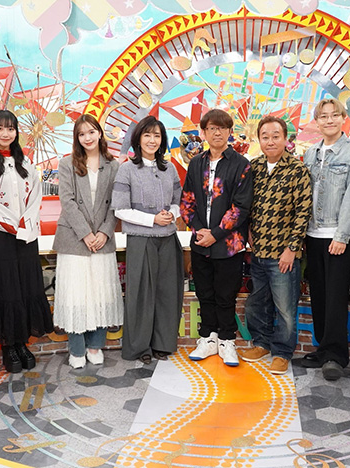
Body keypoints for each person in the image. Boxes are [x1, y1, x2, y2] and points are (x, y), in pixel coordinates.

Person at [0, 110, 54, 373]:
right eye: (0, 128)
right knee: (4, 290)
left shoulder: (25, 162)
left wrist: (26, 224)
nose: (5, 133)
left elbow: (36, 196)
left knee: (26, 288)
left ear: (17, 132)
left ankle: (22, 342)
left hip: (26, 236)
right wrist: (12, 225)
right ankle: (8, 345)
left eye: (10, 128)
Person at [298, 98, 350, 381]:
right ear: (317, 121)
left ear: (343, 119)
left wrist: (341, 234)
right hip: (313, 233)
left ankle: (336, 356)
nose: (329, 120)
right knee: (318, 294)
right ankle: (322, 348)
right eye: (323, 116)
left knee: (336, 296)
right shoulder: (310, 153)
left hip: (339, 235)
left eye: (334, 115)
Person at [180, 109, 253, 367]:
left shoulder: (241, 164)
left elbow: (241, 207)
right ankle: (207, 338)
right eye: (212, 128)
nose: (217, 132)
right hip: (200, 243)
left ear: (230, 132)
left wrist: (216, 234)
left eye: (222, 128)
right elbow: (187, 201)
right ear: (204, 133)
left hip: (229, 245)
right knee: (205, 293)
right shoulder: (196, 163)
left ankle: (227, 341)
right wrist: (199, 230)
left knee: (226, 295)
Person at [240, 116, 312, 375]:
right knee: (257, 303)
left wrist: (292, 249)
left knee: (285, 308)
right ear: (258, 140)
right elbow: (246, 204)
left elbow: (303, 212)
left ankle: (282, 352)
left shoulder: (297, 170)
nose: (270, 141)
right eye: (265, 137)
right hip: (258, 250)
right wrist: (248, 232)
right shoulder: (254, 167)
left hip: (284, 253)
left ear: (285, 139)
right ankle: (261, 343)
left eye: (275, 136)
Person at [112, 116, 184, 364]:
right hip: (141, 240)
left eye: (157, 135)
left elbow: (178, 202)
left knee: (167, 292)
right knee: (141, 294)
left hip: (168, 239)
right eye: (147, 135)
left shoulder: (170, 169)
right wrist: (152, 220)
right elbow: (120, 210)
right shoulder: (127, 169)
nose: (152, 140)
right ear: (138, 139)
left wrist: (171, 214)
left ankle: (163, 344)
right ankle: (139, 346)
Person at [53, 114, 123, 368]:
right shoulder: (66, 163)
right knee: (76, 295)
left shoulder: (113, 165)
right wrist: (86, 233)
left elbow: (116, 203)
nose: (88, 137)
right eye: (82, 134)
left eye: (91, 132)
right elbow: (67, 201)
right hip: (74, 238)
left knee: (101, 293)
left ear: (100, 133)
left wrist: (104, 232)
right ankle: (76, 349)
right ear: (77, 138)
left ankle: (95, 345)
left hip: (103, 238)